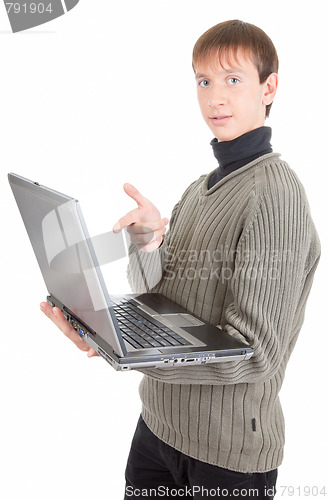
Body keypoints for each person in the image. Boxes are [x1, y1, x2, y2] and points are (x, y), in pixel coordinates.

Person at [40, 20, 321, 499]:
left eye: (233, 80)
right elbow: (162, 301)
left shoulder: (274, 195)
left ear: (268, 87)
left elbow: (254, 351)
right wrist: (149, 244)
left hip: (226, 455)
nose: (215, 97)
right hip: (157, 428)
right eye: (204, 80)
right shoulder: (199, 188)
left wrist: (130, 353)